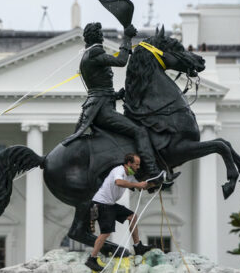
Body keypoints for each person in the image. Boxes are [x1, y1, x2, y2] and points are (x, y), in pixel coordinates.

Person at [62, 21, 179, 187]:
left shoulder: (89, 55)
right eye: (101, 35)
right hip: (102, 111)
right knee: (139, 131)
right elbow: (122, 61)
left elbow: (98, 88)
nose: (103, 37)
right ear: (97, 37)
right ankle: (153, 173)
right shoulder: (94, 53)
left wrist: (116, 95)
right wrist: (127, 37)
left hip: (100, 106)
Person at [85, 153, 154, 271]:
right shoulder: (119, 170)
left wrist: (155, 183)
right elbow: (119, 182)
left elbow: (141, 186)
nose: (138, 167)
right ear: (128, 163)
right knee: (106, 232)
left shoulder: (130, 176)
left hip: (110, 204)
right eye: (136, 164)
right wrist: (137, 184)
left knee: (132, 216)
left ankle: (138, 247)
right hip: (101, 204)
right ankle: (92, 259)